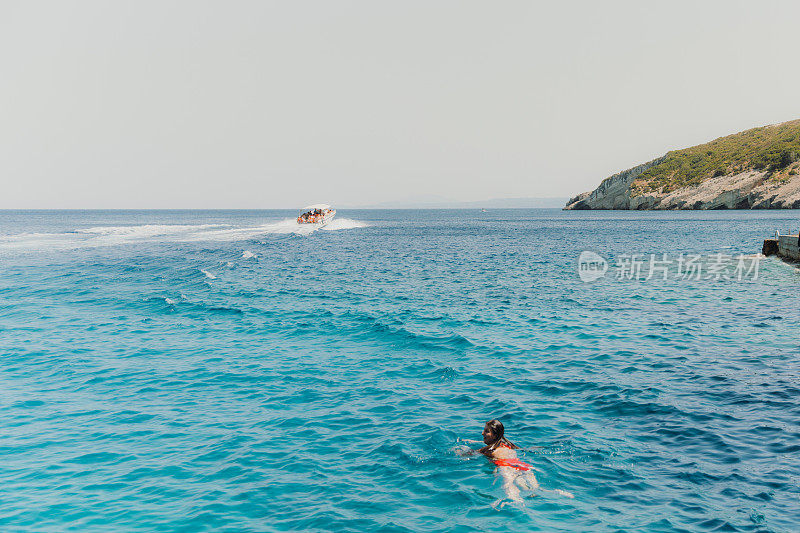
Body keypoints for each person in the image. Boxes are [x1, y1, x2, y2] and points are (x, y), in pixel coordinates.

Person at [459, 419, 573, 508]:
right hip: (523, 466)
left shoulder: (489, 450)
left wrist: (460, 450)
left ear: (494, 435)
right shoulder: (506, 444)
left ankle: (517, 505)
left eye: (486, 431)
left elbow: (471, 453)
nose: (482, 432)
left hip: (506, 467)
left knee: (509, 489)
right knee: (535, 489)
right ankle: (556, 492)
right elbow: (492, 443)